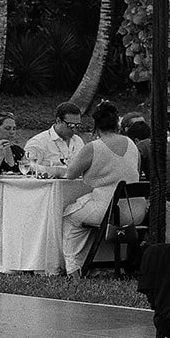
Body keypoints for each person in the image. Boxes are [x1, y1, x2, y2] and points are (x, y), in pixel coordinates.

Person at [60, 101, 142, 275]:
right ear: (117, 124)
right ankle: (102, 264)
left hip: (108, 210)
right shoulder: (132, 144)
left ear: (96, 125)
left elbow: (70, 174)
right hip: (136, 210)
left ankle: (74, 267)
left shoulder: (93, 147)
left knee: (69, 215)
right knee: (84, 213)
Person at [23, 101, 84, 167]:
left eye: (77, 125)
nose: (74, 129)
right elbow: (28, 168)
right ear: (58, 121)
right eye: (70, 125)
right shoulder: (38, 142)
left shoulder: (78, 141)